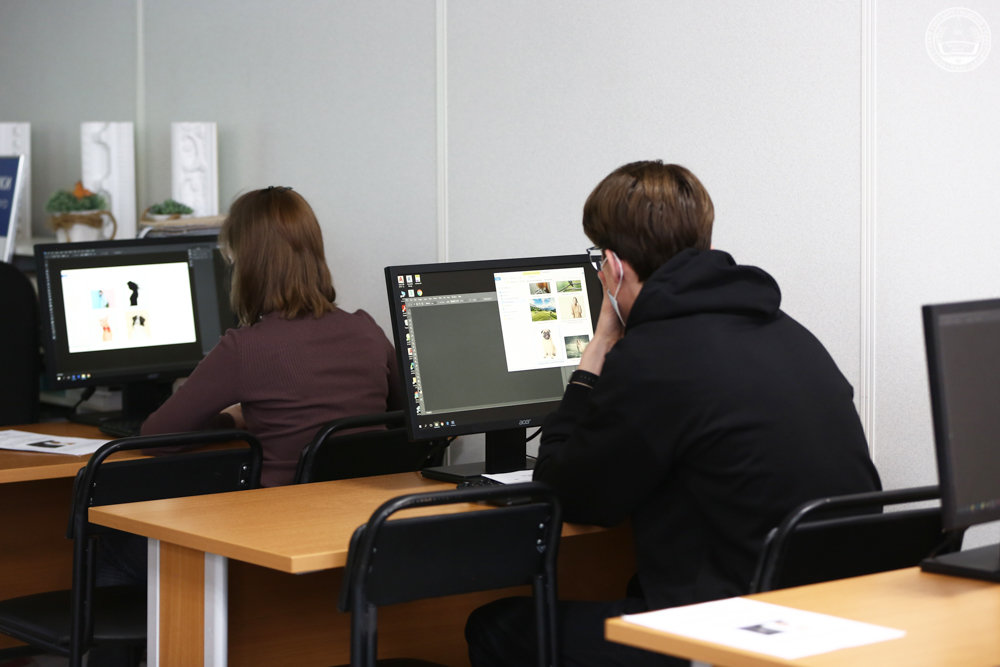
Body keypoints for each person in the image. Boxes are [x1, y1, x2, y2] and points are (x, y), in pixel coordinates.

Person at [465, 161, 881, 666]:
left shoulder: (655, 355)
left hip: (736, 630)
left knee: (496, 627)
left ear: (613, 267)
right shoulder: (787, 331)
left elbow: (567, 493)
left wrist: (597, 349)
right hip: (835, 615)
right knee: (632, 581)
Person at [140, 186, 403, 487]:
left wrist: (233, 419)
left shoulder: (244, 348)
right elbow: (404, 417)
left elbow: (156, 437)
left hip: (280, 511)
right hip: (367, 509)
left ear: (246, 264)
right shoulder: (367, 330)